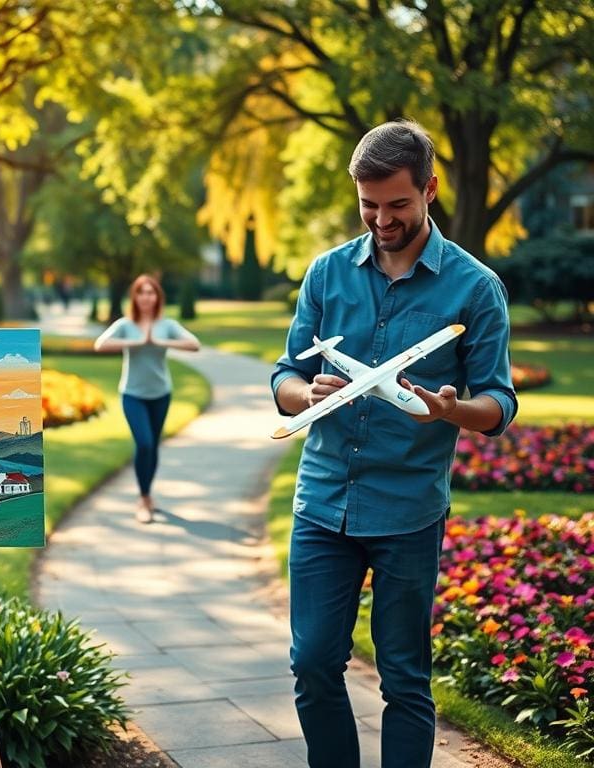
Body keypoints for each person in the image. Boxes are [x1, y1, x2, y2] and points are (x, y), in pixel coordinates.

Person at [270, 120, 517, 768]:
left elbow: (500, 404)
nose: (381, 219)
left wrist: (451, 410)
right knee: (313, 663)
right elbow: (284, 375)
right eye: (368, 205)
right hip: (322, 501)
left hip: (408, 511)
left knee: (404, 678)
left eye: (397, 205)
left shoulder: (475, 287)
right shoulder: (326, 274)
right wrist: (306, 396)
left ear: (430, 189)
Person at [94, 274, 200, 523]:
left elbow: (194, 344)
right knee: (143, 444)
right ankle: (143, 500)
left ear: (157, 297)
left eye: (150, 292)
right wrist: (137, 341)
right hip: (133, 394)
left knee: (152, 446)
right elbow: (100, 344)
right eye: (141, 292)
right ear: (135, 297)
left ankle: (148, 495)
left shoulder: (167, 324)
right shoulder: (125, 324)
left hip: (161, 394)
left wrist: (159, 341)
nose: (146, 297)